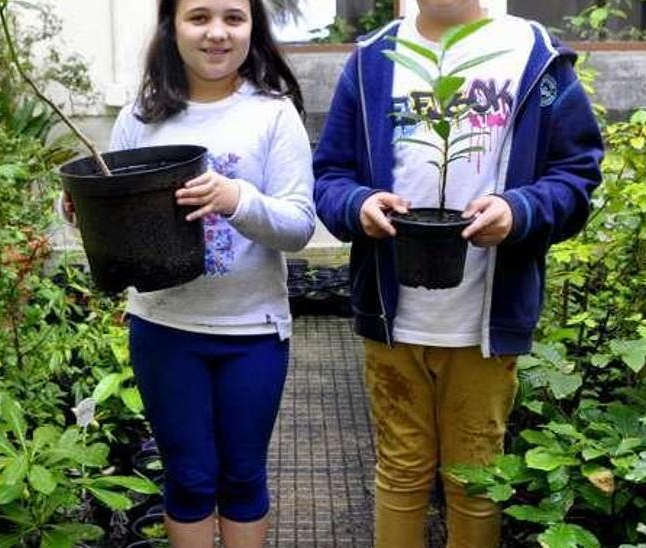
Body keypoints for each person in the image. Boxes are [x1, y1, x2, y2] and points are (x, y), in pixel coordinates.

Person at [312, 1, 604, 546]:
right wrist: (358, 204)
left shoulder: (534, 57)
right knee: (399, 471)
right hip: (393, 317)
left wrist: (521, 210)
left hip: (484, 321)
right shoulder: (373, 60)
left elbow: (577, 173)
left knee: (476, 480)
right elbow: (329, 175)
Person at [67, 1, 314, 546]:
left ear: (254, 28)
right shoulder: (140, 116)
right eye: (199, 17)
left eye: (234, 17)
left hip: (252, 330)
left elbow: (298, 227)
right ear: (171, 27)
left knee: (243, 476)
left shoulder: (273, 115)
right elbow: (113, 208)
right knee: (189, 477)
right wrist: (87, 209)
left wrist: (236, 198)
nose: (217, 33)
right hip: (164, 329)